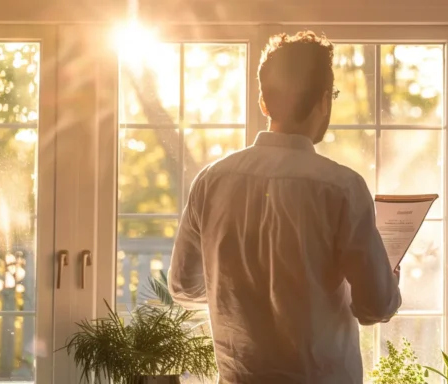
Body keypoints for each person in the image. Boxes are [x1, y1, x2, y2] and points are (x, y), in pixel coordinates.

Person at [168, 30, 402, 384]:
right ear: (324, 101)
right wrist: (388, 277)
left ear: (264, 102)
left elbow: (184, 287)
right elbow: (376, 306)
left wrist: (232, 287)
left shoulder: (210, 181)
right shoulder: (341, 188)